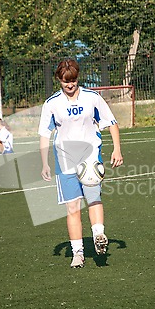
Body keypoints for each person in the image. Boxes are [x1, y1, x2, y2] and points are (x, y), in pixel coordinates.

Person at [38, 59, 123, 268]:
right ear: (59, 79)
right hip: (65, 159)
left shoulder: (92, 98)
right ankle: (78, 253)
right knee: (73, 207)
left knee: (93, 198)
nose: (70, 85)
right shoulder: (51, 104)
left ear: (78, 78)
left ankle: (98, 235)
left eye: (73, 80)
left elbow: (111, 123)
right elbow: (44, 134)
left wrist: (117, 149)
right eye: (66, 81)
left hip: (90, 157)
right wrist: (44, 163)